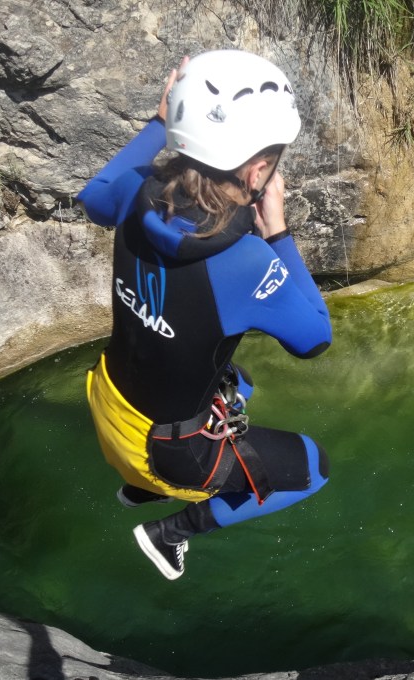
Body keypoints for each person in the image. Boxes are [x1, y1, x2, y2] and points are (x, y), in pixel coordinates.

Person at [75, 50, 332, 580]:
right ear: (258, 169)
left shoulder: (132, 194)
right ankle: (171, 532)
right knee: (313, 467)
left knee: (242, 384)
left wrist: (155, 123)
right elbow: (315, 338)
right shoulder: (245, 261)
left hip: (108, 403)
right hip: (169, 454)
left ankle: (138, 490)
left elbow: (91, 195)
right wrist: (278, 233)